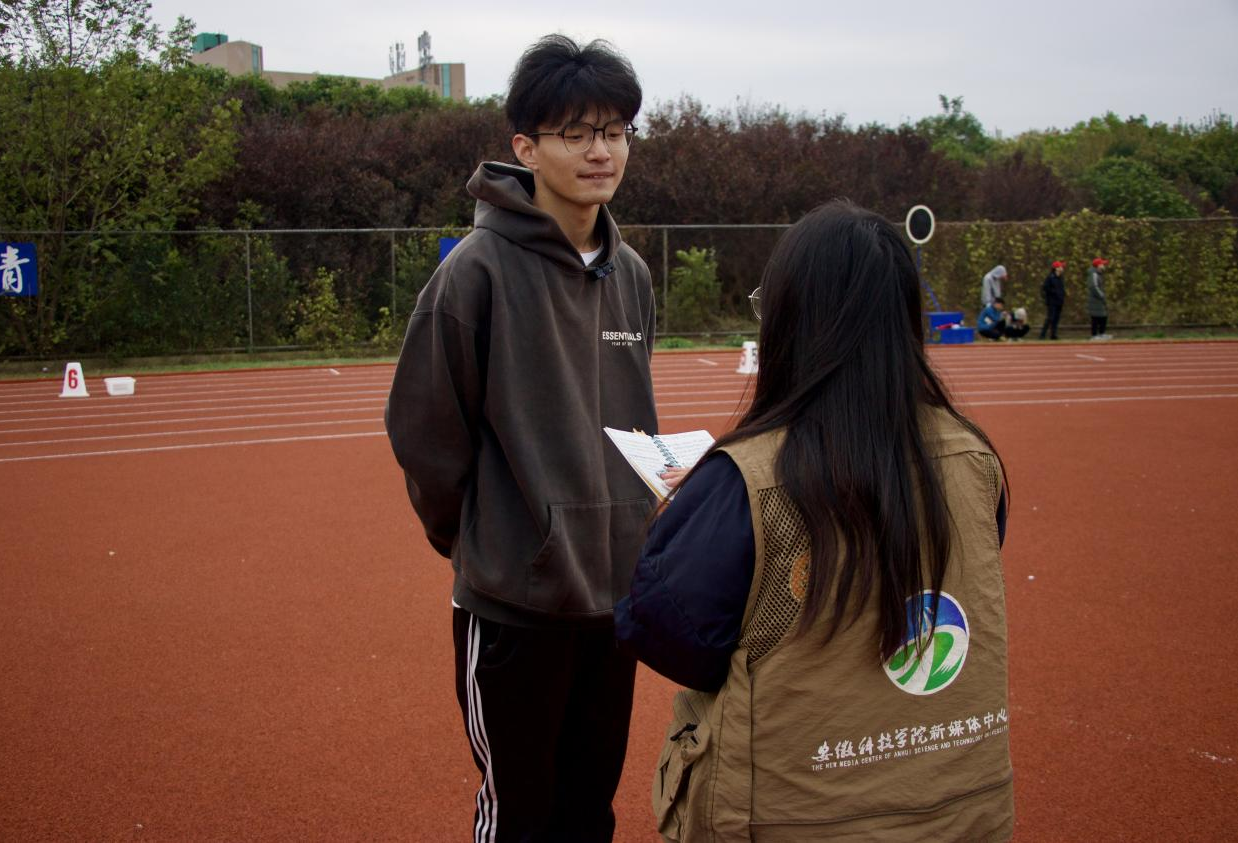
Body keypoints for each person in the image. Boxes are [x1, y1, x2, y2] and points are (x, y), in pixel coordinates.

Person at [616, 201, 1014, 841]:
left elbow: (669, 634)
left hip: (789, 811)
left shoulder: (744, 480)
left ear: (790, 324)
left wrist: (687, 515)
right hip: (958, 811)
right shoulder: (975, 458)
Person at [385, 35, 665, 842]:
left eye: (613, 131)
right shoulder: (474, 272)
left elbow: (633, 420)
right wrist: (486, 539)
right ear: (525, 146)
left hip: (613, 598)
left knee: (589, 811)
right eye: (574, 133)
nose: (599, 151)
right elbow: (424, 432)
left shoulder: (633, 275)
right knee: (519, 813)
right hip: (516, 604)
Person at [1040, 260, 1066, 340]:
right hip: (1052, 301)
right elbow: (1045, 288)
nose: (1062, 268)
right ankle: (1042, 335)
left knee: (1056, 318)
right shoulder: (1050, 278)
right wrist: (1054, 293)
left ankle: (1053, 334)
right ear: (1056, 268)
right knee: (1050, 318)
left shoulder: (1060, 278)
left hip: (1059, 301)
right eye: (1061, 266)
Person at [1088, 257, 1111, 339]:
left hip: (1099, 299)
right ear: (1098, 265)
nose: (1104, 265)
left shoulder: (1098, 274)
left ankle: (1102, 333)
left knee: (1103, 316)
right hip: (1095, 300)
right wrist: (1101, 295)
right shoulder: (1094, 274)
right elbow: (1094, 287)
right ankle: (1094, 335)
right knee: (1096, 317)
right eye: (1102, 264)